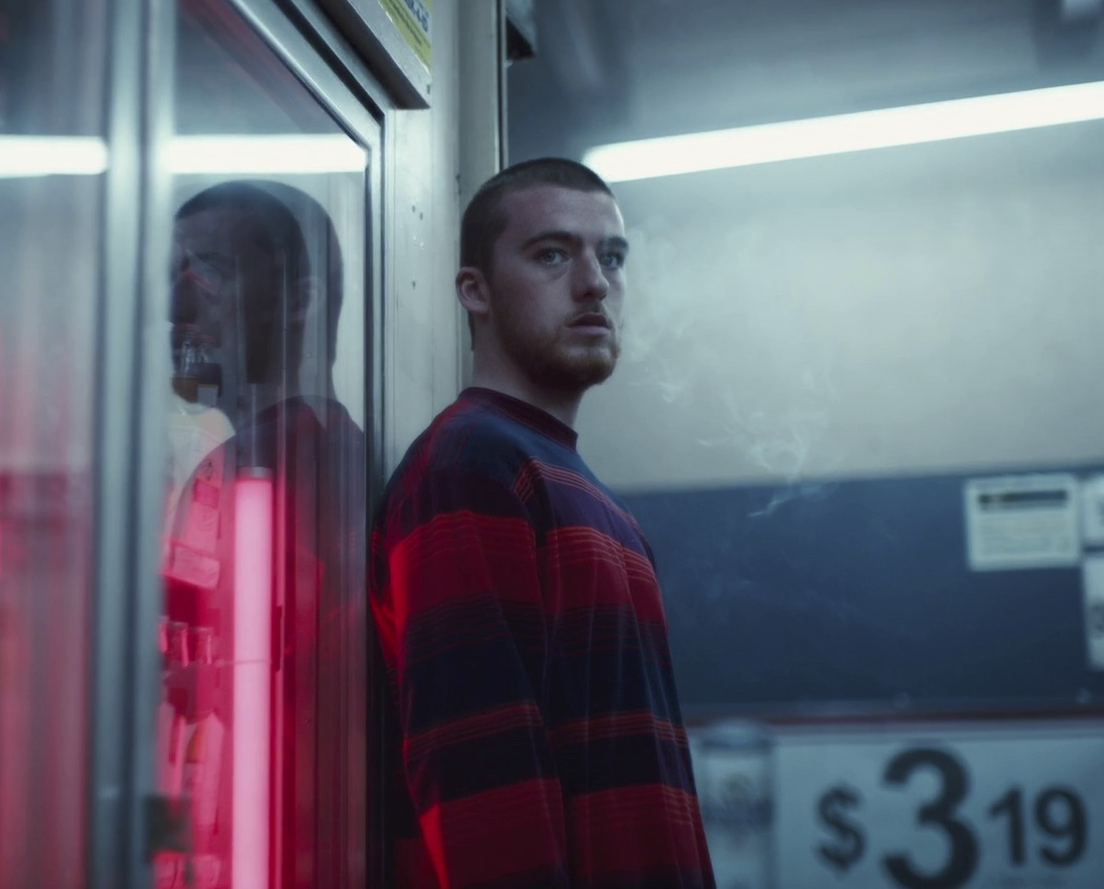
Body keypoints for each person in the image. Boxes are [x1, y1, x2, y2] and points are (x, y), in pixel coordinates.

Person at [369, 158, 715, 889]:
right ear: (476, 291)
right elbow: (478, 776)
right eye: (553, 254)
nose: (595, 283)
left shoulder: (586, 492)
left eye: (611, 257)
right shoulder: (470, 466)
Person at [161, 180, 366, 888]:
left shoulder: (301, 465)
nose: (176, 308)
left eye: (210, 271)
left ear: (299, 301)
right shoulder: (242, 458)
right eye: (173, 277)